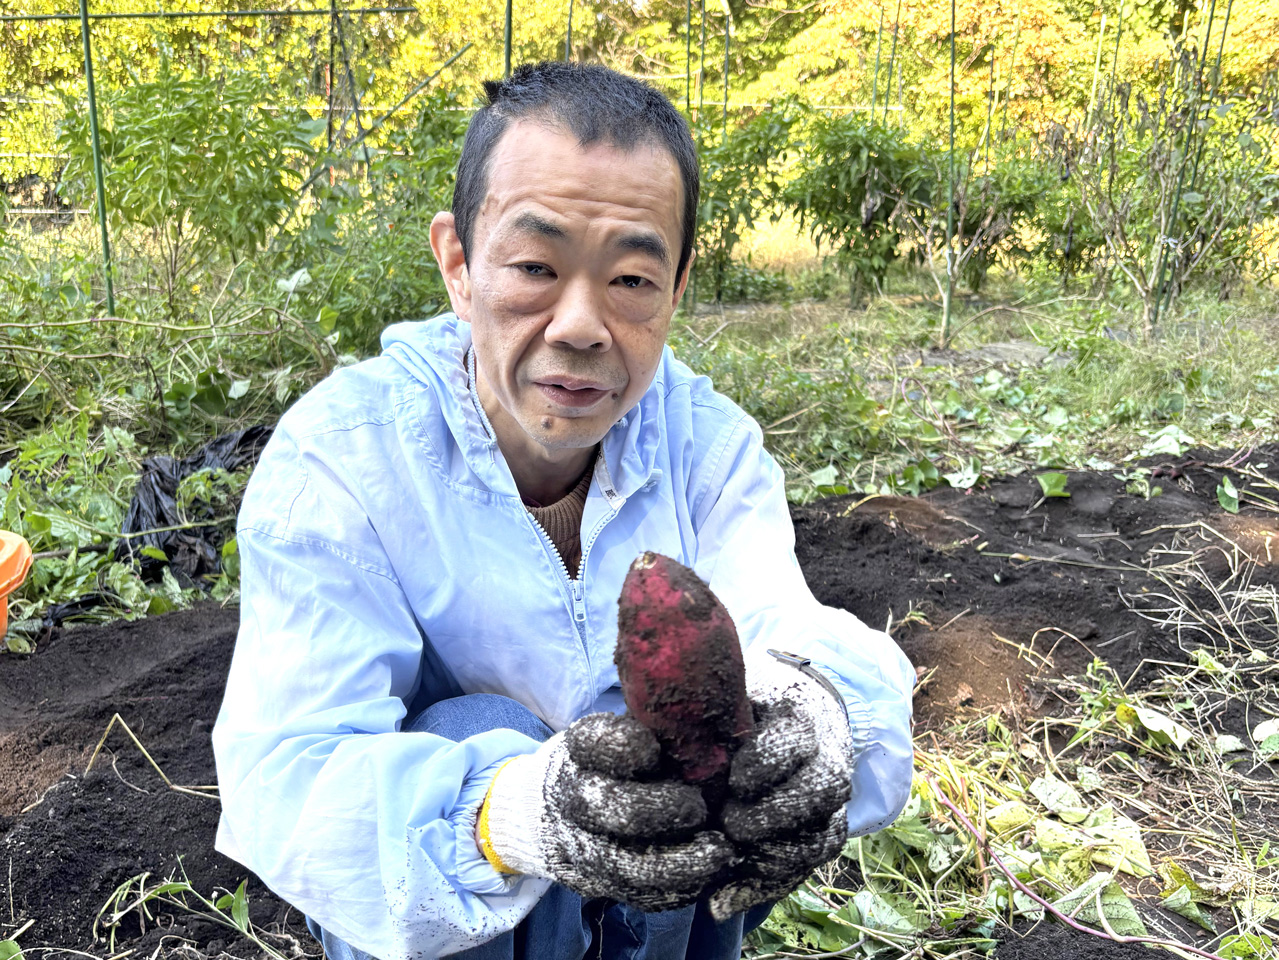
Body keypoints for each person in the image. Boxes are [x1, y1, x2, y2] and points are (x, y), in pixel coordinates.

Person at [211, 61, 915, 960]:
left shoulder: (707, 444)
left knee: (735, 735)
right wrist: (509, 817)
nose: (582, 325)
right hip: (446, 923)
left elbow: (777, 618)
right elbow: (290, 773)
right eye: (536, 266)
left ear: (677, 288)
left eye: (629, 280)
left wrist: (817, 709)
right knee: (482, 734)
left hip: (664, 905)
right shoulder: (343, 459)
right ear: (460, 265)